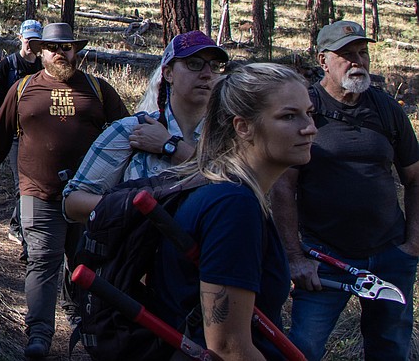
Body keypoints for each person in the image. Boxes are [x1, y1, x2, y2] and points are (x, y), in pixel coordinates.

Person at [0, 22, 129, 359]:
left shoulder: (99, 90)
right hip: (36, 192)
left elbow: (126, 134)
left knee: (83, 262)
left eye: (68, 47)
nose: (62, 53)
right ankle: (40, 334)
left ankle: (81, 323)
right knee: (42, 261)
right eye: (54, 48)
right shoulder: (23, 88)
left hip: (87, 197)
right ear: (42, 52)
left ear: (78, 51)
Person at [271, 21, 419, 361]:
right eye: (346, 55)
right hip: (324, 256)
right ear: (323, 61)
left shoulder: (386, 109)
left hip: (390, 253)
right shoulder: (306, 110)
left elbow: (414, 178)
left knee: (391, 348)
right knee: (303, 348)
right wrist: (295, 257)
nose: (358, 62)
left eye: (362, 53)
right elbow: (283, 187)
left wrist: (412, 246)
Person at [150, 63, 316, 361]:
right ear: (243, 127)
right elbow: (228, 348)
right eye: (289, 116)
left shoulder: (228, 191)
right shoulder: (232, 205)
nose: (309, 128)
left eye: (309, 113)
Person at [62, 31, 229, 222]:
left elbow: (237, 188)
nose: (207, 74)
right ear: (168, 73)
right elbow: (72, 202)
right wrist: (134, 205)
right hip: (141, 251)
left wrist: (171, 147)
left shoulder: (231, 137)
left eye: (215, 66)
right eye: (194, 64)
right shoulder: (131, 131)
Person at [0, 20, 44, 250]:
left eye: (36, 40)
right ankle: (21, 230)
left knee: (32, 183)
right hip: (13, 133)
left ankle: (18, 223)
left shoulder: (44, 66)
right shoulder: (8, 65)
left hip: (37, 136)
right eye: (28, 39)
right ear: (20, 38)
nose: (31, 44)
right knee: (21, 184)